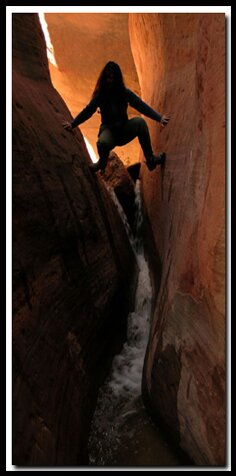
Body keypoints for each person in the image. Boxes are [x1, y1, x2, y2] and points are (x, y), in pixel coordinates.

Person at [62, 61, 170, 172]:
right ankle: (102, 163)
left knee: (140, 122)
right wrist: (73, 124)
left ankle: (150, 159)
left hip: (124, 129)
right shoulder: (100, 95)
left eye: (112, 78)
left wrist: (159, 118)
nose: (110, 81)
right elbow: (88, 111)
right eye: (108, 78)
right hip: (109, 131)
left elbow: (141, 106)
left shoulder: (124, 93)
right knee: (102, 143)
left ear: (117, 79)